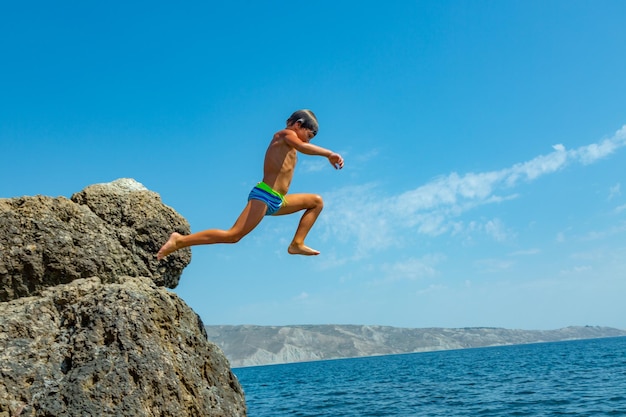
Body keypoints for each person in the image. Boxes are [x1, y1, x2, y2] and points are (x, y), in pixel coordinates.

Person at [156, 109, 344, 260]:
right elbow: (303, 147)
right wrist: (328, 154)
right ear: (298, 125)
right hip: (264, 196)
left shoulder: (292, 143)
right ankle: (179, 241)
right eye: (308, 135)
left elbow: (301, 147)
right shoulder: (284, 134)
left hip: (278, 200)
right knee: (233, 235)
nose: (308, 140)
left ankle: (296, 244)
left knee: (316, 202)